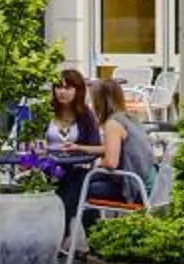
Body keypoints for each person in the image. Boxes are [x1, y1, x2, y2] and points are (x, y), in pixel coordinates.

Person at [91, 74, 156, 219]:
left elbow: (111, 163)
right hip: (150, 183)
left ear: (99, 102)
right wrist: (81, 148)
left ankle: (93, 235)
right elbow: (114, 149)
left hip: (136, 189)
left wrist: (96, 165)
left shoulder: (112, 124)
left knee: (83, 186)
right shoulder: (129, 118)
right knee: (89, 179)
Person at [43, 69, 103, 226]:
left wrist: (78, 147)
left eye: (68, 88)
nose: (62, 92)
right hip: (47, 167)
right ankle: (66, 237)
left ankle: (66, 236)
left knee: (78, 185)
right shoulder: (45, 113)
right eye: (58, 87)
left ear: (78, 91)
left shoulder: (85, 115)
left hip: (76, 167)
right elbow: (28, 148)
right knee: (76, 188)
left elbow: (97, 146)